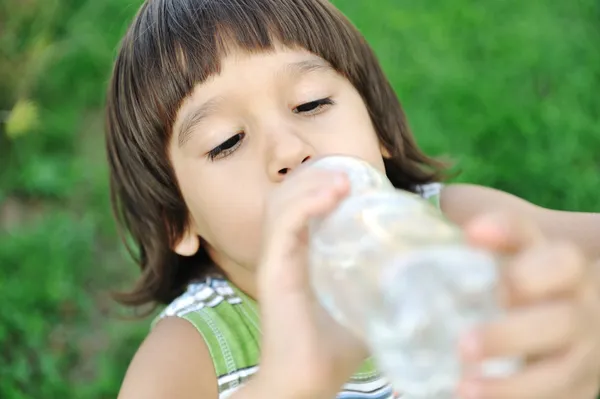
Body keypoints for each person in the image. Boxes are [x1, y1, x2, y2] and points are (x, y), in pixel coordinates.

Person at [105, 0, 600, 398]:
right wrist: (289, 388)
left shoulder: (449, 225)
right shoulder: (192, 351)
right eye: (227, 141)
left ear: (378, 130)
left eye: (311, 103)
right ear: (178, 220)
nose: (290, 151)